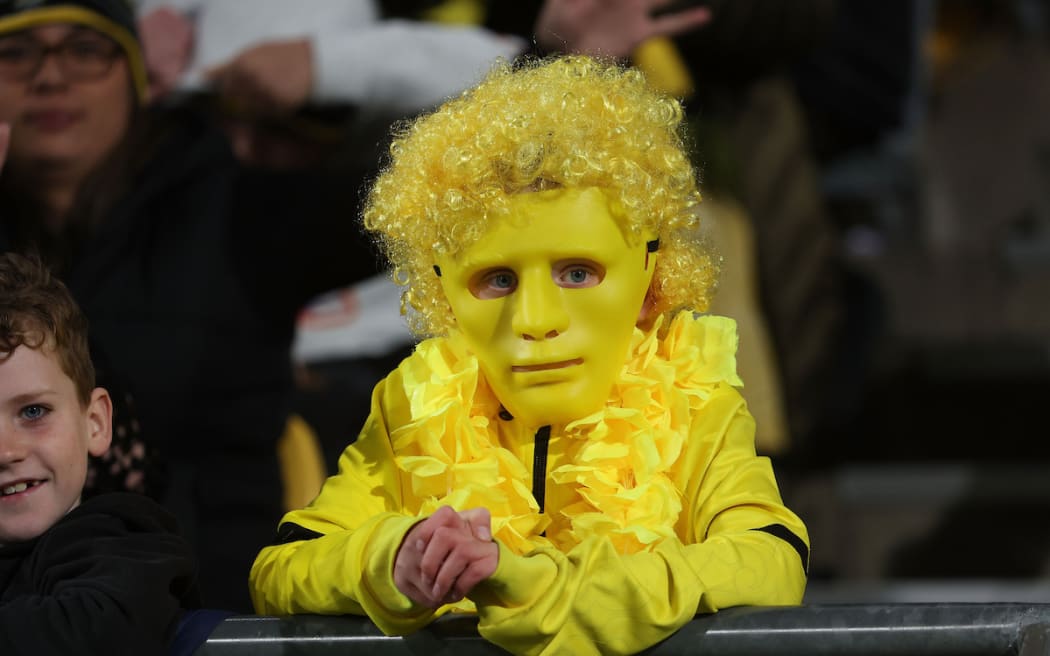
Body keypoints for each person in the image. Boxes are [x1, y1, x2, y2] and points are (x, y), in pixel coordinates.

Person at [250, 56, 809, 655]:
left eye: (576, 272)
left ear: (651, 285)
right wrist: (393, 561)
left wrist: (541, 587)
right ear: (444, 294)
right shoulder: (413, 409)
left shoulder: (696, 403)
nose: (536, 321)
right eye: (497, 281)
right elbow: (281, 571)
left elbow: (771, 561)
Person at [0, 0, 376, 610]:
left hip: (212, 617)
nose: (49, 76)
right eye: (15, 52)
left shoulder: (235, 210)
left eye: (85, 49)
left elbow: (446, 181)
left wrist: (335, 64)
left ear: (138, 79)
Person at [0, 252, 200, 655]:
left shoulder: (120, 543)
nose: (6, 451)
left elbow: (98, 632)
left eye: (33, 411)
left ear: (95, 422)